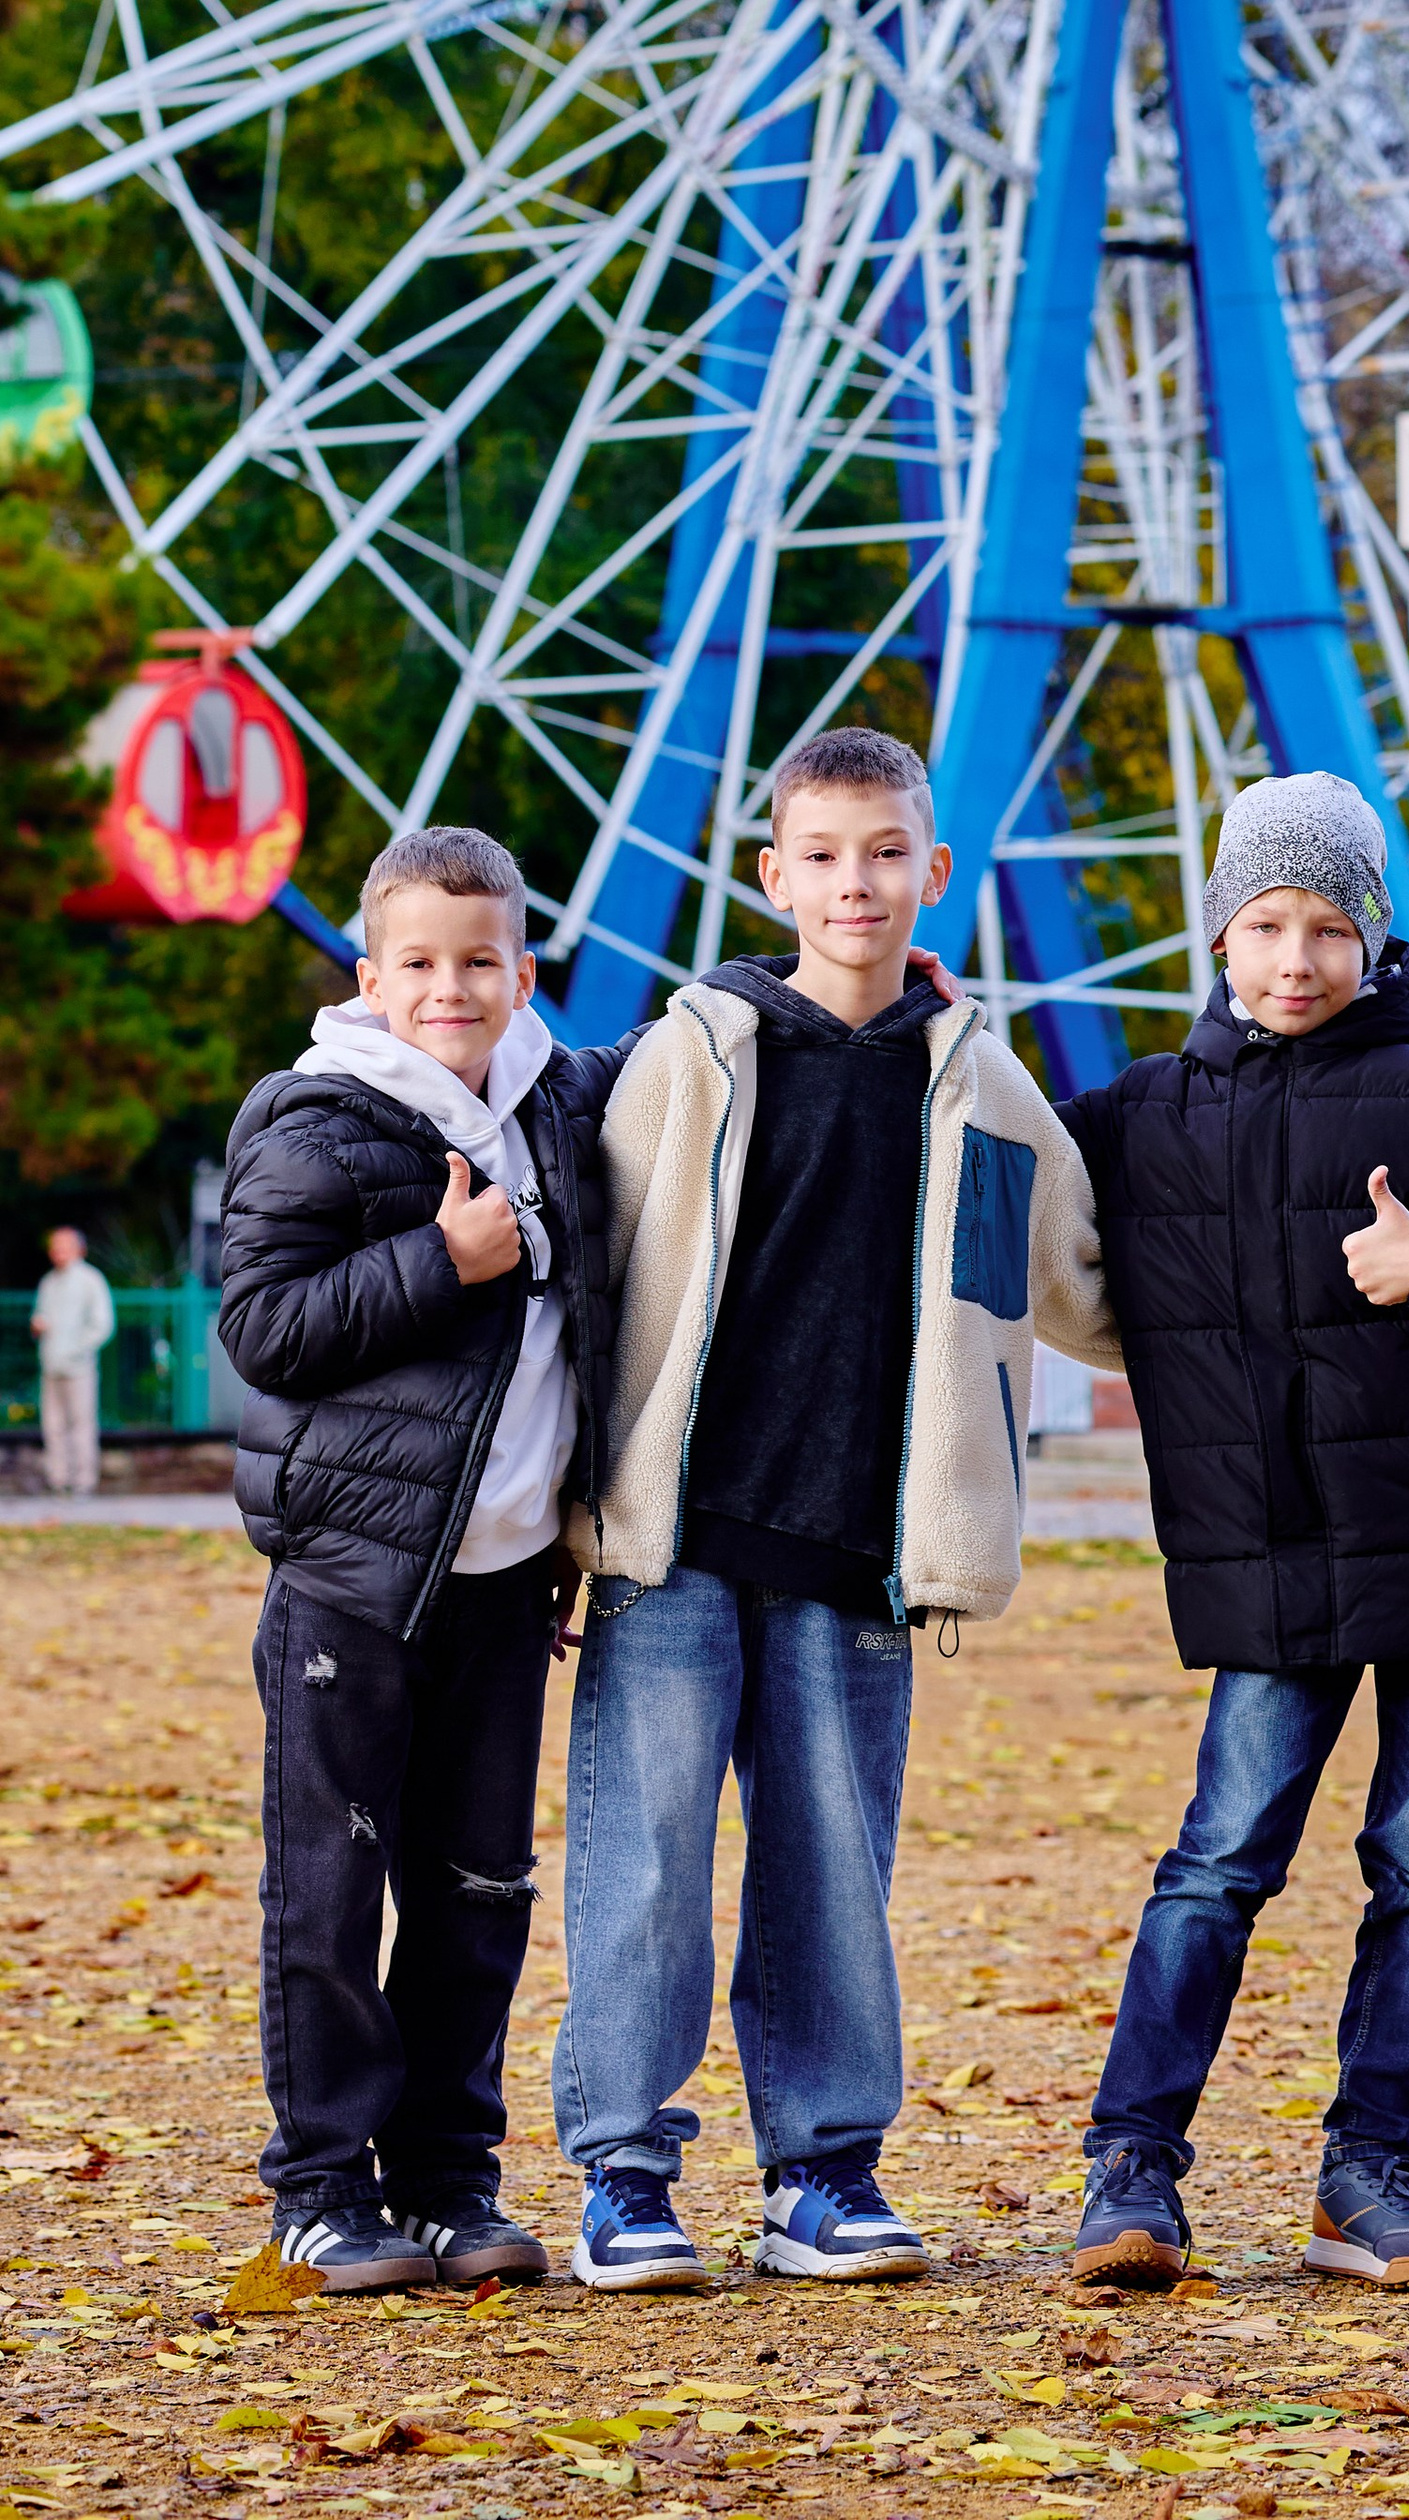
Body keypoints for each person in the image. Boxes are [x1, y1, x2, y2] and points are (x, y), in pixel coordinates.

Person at [552, 725, 1115, 2296]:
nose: (853, 883)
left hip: (866, 1549)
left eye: (884, 854)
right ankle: (627, 2172)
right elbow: (585, 1270)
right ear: (773, 873)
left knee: (831, 1866)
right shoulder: (691, 1056)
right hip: (676, 1534)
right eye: (821, 854)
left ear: (935, 873)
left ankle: (823, 2172)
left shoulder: (989, 1093)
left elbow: (1073, 1286)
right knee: (645, 1855)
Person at [1057, 772, 1409, 2296]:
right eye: (1265, 926)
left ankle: (1372, 2169)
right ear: (1218, 936)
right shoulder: (1142, 1118)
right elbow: (999, 1160)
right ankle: (1132, 2169)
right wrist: (941, 1022)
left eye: (1327, 928)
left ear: (1373, 938)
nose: (1295, 960)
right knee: (1216, 1867)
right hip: (1270, 1554)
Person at [216, 824, 628, 2297]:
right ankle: (321, 2190)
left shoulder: (564, 1104)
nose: (449, 988)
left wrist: (883, 978)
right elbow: (261, 1330)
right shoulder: (312, 1119)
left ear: (524, 973)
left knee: (477, 1893)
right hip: (353, 1582)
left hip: (510, 1583)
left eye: (478, 963)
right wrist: (437, 1267)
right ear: (369, 974)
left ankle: (449, 2181)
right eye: (418, 963)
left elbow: (712, 1059)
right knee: (328, 1891)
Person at [31, 1224, 114, 1496]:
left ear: (79, 1248)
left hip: (79, 1367)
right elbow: (41, 1318)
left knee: (81, 1424)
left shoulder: (91, 1280)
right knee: (53, 1426)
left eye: (64, 1245)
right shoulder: (48, 1282)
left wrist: (78, 1349)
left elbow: (102, 1325)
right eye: (55, 1246)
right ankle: (58, 1480)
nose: (58, 1251)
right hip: (51, 1365)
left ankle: (83, 1482)